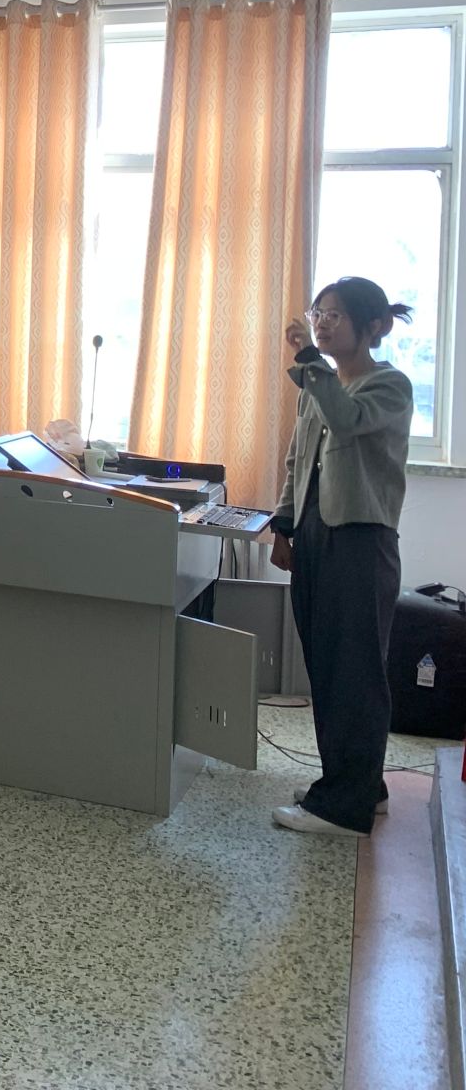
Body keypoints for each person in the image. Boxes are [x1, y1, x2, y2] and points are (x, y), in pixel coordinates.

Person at [268, 278, 415, 838]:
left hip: (361, 541)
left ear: (373, 327)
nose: (323, 323)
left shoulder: (389, 385)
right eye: (319, 313)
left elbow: (347, 420)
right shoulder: (317, 384)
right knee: (327, 666)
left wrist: (309, 359)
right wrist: (284, 527)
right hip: (315, 535)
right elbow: (296, 462)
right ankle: (358, 786)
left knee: (355, 671)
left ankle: (344, 809)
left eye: (335, 315)